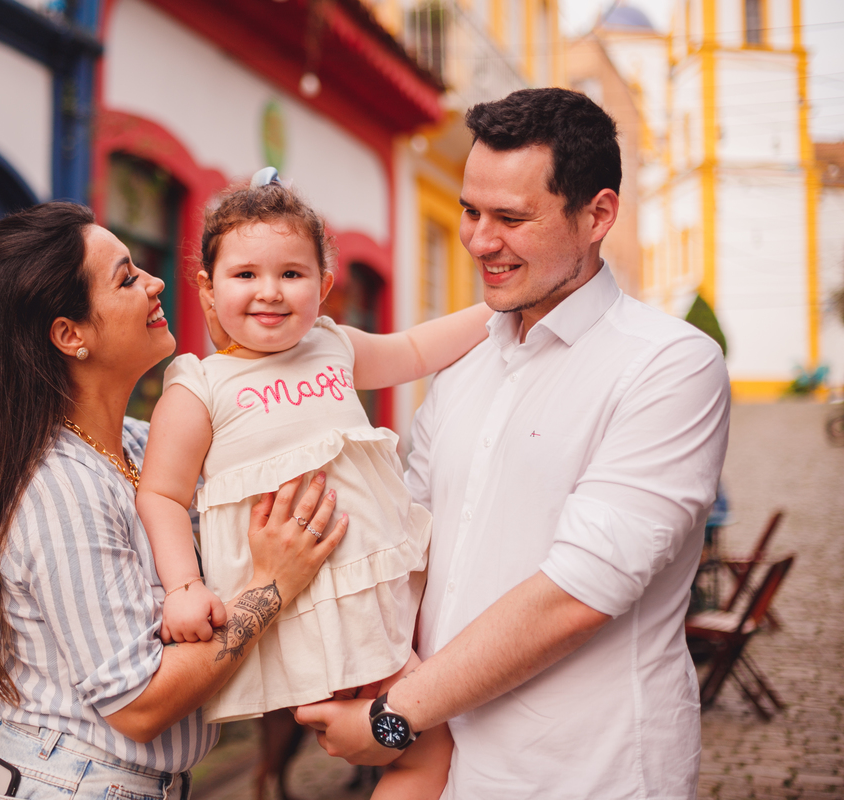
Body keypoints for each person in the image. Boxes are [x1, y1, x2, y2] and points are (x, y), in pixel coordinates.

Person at [296, 87, 731, 798]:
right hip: (444, 769)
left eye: (511, 218)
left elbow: (577, 595)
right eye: (471, 211)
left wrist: (393, 717)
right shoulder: (466, 361)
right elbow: (411, 543)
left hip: (586, 771)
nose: (478, 241)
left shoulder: (670, 365)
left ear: (599, 215)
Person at [0, 201, 349, 800]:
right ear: (70, 335)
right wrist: (272, 587)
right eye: (126, 278)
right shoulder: (58, 487)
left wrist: (242, 341)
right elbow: (139, 704)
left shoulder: (138, 443)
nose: (155, 282)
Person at [135, 172, 492, 798]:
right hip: (302, 613)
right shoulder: (201, 387)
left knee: (430, 747)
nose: (270, 293)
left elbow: (413, 349)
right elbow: (162, 493)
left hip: (376, 599)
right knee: (426, 746)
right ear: (207, 289)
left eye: (292, 274)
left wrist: (499, 307)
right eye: (245, 275)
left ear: (324, 287)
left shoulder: (332, 347)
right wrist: (182, 587)